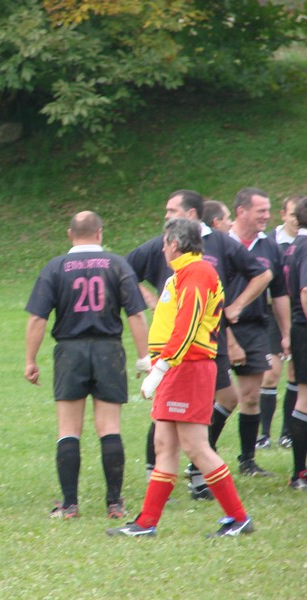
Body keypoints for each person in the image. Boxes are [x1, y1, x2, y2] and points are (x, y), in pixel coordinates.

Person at [108, 218, 254, 537]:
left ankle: (238, 518)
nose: (162, 249)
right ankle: (146, 523)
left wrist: (160, 369)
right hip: (176, 367)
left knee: (195, 446)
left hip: (187, 367)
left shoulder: (197, 272)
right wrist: (157, 363)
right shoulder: (183, 274)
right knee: (164, 445)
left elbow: (187, 326)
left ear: (175, 244)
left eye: (164, 243)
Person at [126, 190, 271, 500]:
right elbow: (126, 273)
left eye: (171, 210)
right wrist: (148, 298)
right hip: (179, 353)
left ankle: (213, 490)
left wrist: (234, 308)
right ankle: (154, 501)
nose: (166, 216)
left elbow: (261, 275)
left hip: (195, 352)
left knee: (206, 424)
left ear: (190, 215)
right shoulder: (171, 258)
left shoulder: (209, 257)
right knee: (167, 428)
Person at [24, 211, 150, 519]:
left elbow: (38, 319)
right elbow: (136, 314)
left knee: (69, 429)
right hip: (109, 351)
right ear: (99, 233)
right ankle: (114, 503)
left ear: (70, 234)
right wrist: (144, 357)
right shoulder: (117, 264)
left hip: (70, 352)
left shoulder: (55, 267)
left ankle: (69, 505)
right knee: (110, 427)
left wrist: (30, 360)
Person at [208, 188, 290, 477]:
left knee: (251, 396)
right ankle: (202, 457)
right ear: (241, 211)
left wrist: (285, 333)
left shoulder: (270, 247)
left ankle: (247, 461)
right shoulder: (219, 243)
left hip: (255, 327)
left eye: (268, 210)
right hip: (217, 328)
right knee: (219, 397)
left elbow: (279, 294)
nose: (267, 216)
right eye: (261, 211)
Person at [258, 195, 303, 450]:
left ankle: (287, 432)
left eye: (299, 215)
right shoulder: (270, 242)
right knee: (270, 373)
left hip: (297, 312)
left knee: (296, 372)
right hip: (271, 313)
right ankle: (264, 434)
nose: (296, 220)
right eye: (292, 214)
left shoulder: (303, 242)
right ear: (283, 214)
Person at [282, 196, 307, 491]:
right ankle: (299, 473)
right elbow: (305, 291)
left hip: (299, 328)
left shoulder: (294, 245)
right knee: (304, 400)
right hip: (304, 327)